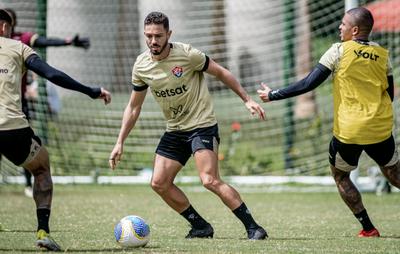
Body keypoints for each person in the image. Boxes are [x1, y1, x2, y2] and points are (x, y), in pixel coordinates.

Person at [109, 11, 267, 240]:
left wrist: (247, 99)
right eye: (149, 36)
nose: (153, 41)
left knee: (209, 180)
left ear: (168, 34)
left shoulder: (187, 54)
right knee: (159, 183)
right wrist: (119, 142)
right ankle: (201, 226)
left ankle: (254, 227)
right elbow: (134, 107)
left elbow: (221, 72)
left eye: (158, 36)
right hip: (175, 129)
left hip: (202, 125)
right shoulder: (141, 65)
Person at [257, 7, 400, 238]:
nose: (339, 27)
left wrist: (273, 94)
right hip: (380, 128)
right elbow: (390, 93)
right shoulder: (383, 54)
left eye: (343, 24)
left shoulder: (338, 51)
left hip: (350, 131)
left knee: (341, 176)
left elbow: (309, 83)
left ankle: (368, 228)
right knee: (393, 173)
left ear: (354, 30)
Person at [0, 10, 111, 251]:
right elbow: (52, 74)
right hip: (9, 126)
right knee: (41, 167)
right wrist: (90, 90)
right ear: (3, 27)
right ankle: (43, 232)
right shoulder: (17, 46)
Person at [4, 8, 90, 198]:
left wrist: (68, 41)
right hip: (10, 115)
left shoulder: (21, 41)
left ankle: (28, 183)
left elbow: (44, 41)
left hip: (16, 106)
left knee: (27, 150)